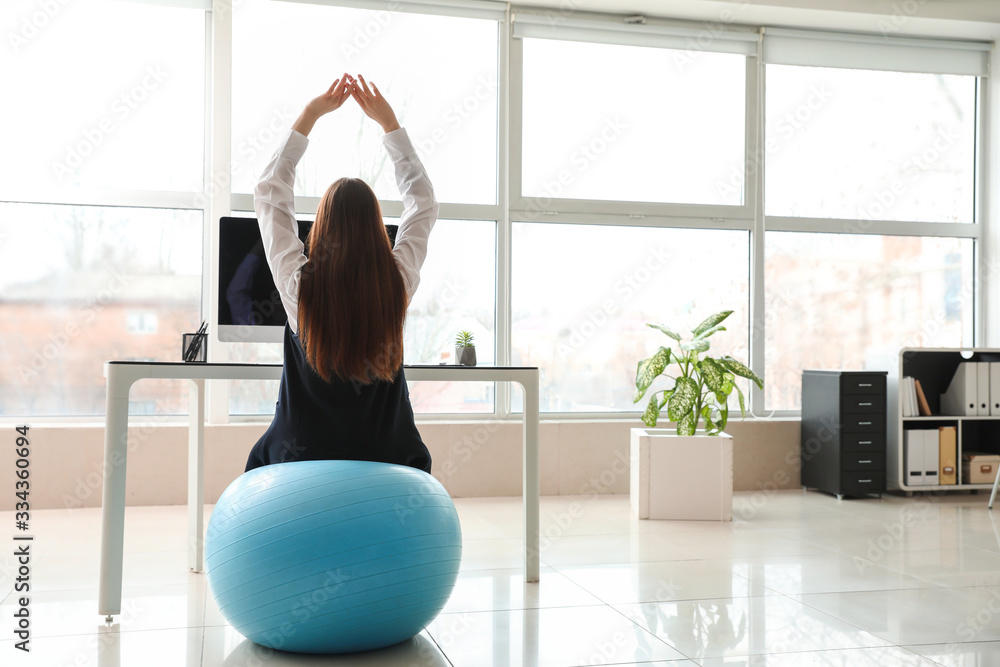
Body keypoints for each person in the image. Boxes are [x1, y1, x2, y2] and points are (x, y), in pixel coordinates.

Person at [245, 73, 437, 474]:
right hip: (389, 457)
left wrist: (309, 116)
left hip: (300, 460)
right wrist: (390, 127)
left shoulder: (299, 288)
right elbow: (422, 204)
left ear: (321, 228)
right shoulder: (397, 283)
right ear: (376, 229)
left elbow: (270, 193)